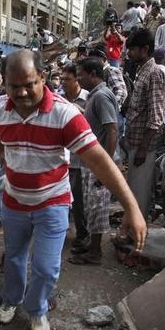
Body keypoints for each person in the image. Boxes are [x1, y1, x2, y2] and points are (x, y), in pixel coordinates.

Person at [0, 50, 146, 330]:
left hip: (53, 204)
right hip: (14, 203)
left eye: (30, 84)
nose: (21, 92)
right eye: (14, 86)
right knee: (14, 258)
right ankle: (11, 298)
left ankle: (37, 309)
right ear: (4, 84)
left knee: (46, 268)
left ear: (43, 78)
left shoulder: (65, 115)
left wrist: (130, 207)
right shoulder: (0, 110)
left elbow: (99, 160)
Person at [68, 58, 119, 266]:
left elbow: (112, 130)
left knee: (98, 207)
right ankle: (92, 246)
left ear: (92, 74)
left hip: (99, 162)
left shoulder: (101, 96)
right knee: (92, 206)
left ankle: (95, 252)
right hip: (93, 162)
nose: (79, 78)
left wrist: (105, 166)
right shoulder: (95, 96)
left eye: (81, 74)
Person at [123, 29, 165, 221]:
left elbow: (156, 118)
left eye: (132, 49)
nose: (128, 53)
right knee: (133, 190)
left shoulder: (154, 73)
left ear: (145, 49)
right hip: (135, 142)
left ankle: (135, 234)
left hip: (143, 147)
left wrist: (142, 149)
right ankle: (132, 229)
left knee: (138, 194)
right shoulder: (142, 71)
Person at [60, 64, 89, 251]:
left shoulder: (88, 98)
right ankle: (60, 232)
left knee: (79, 199)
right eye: (62, 79)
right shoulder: (60, 99)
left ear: (77, 79)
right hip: (62, 157)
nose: (63, 83)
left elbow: (92, 123)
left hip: (79, 158)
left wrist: (76, 110)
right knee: (61, 199)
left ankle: (82, 233)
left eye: (67, 79)